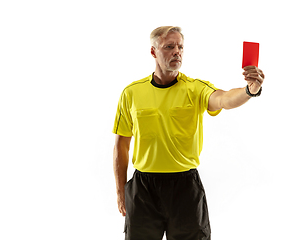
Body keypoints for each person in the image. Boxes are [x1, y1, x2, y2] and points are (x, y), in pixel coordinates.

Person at [113, 26, 265, 240]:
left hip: (185, 187)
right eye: (169, 47)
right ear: (153, 52)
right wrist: (120, 193)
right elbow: (121, 145)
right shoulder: (131, 93)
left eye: (180, 47)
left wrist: (250, 90)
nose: (177, 52)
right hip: (143, 188)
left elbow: (224, 99)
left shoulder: (195, 88)